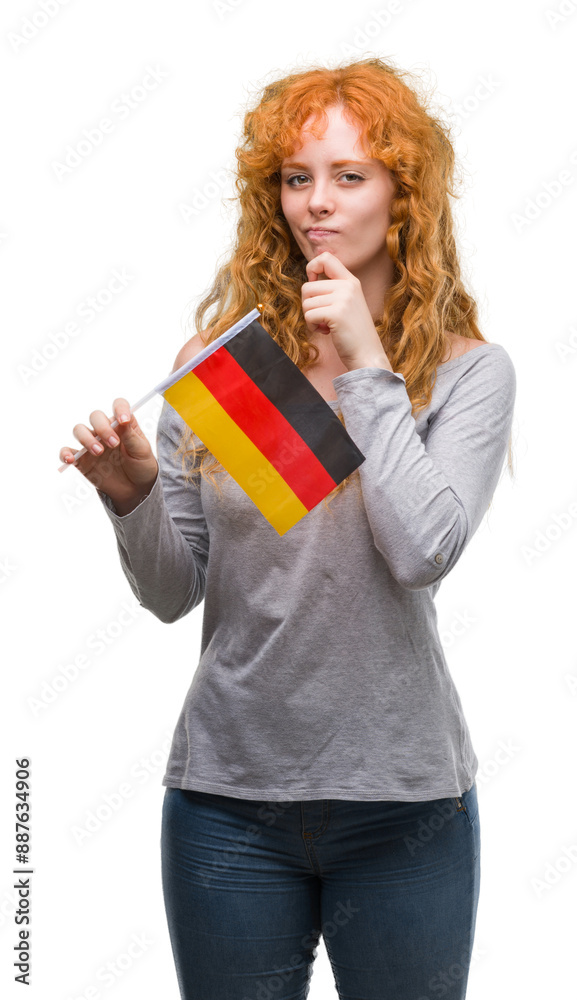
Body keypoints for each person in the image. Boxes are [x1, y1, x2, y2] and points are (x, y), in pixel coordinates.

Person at [59, 57, 516, 1000]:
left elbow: (420, 550)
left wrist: (362, 359)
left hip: (402, 806)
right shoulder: (229, 362)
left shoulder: (471, 374)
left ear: (404, 196)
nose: (317, 202)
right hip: (227, 801)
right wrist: (132, 490)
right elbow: (172, 592)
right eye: (295, 177)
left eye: (350, 176)